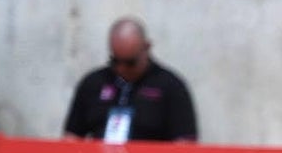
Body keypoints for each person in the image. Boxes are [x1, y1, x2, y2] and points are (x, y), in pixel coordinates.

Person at [63, 17, 197, 143]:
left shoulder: (170, 87)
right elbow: (71, 137)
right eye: (115, 61)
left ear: (146, 47)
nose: (122, 69)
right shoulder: (93, 83)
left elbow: (184, 143)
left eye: (130, 63)